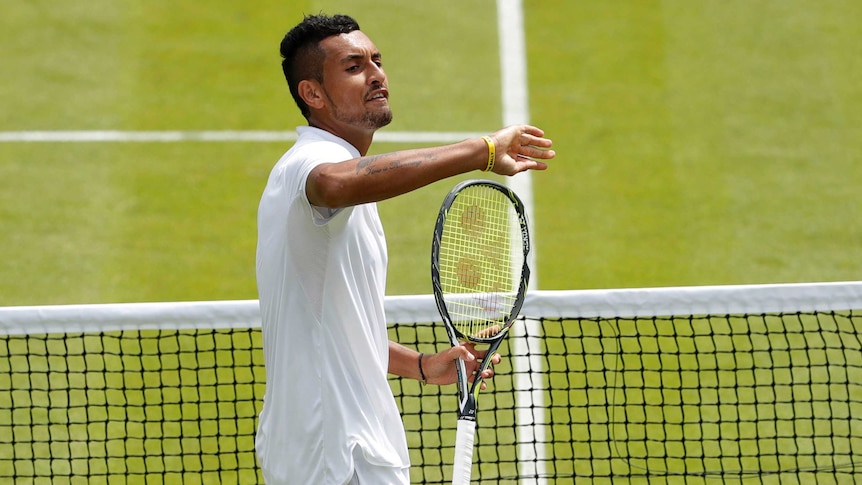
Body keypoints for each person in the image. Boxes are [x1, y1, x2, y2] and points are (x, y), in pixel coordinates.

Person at [255, 13, 555, 485]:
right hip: (334, 450)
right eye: (354, 67)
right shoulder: (312, 164)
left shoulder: (340, 173)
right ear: (312, 93)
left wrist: (417, 364)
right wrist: (484, 151)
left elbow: (334, 324)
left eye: (377, 60)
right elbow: (333, 185)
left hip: (348, 445)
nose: (376, 74)